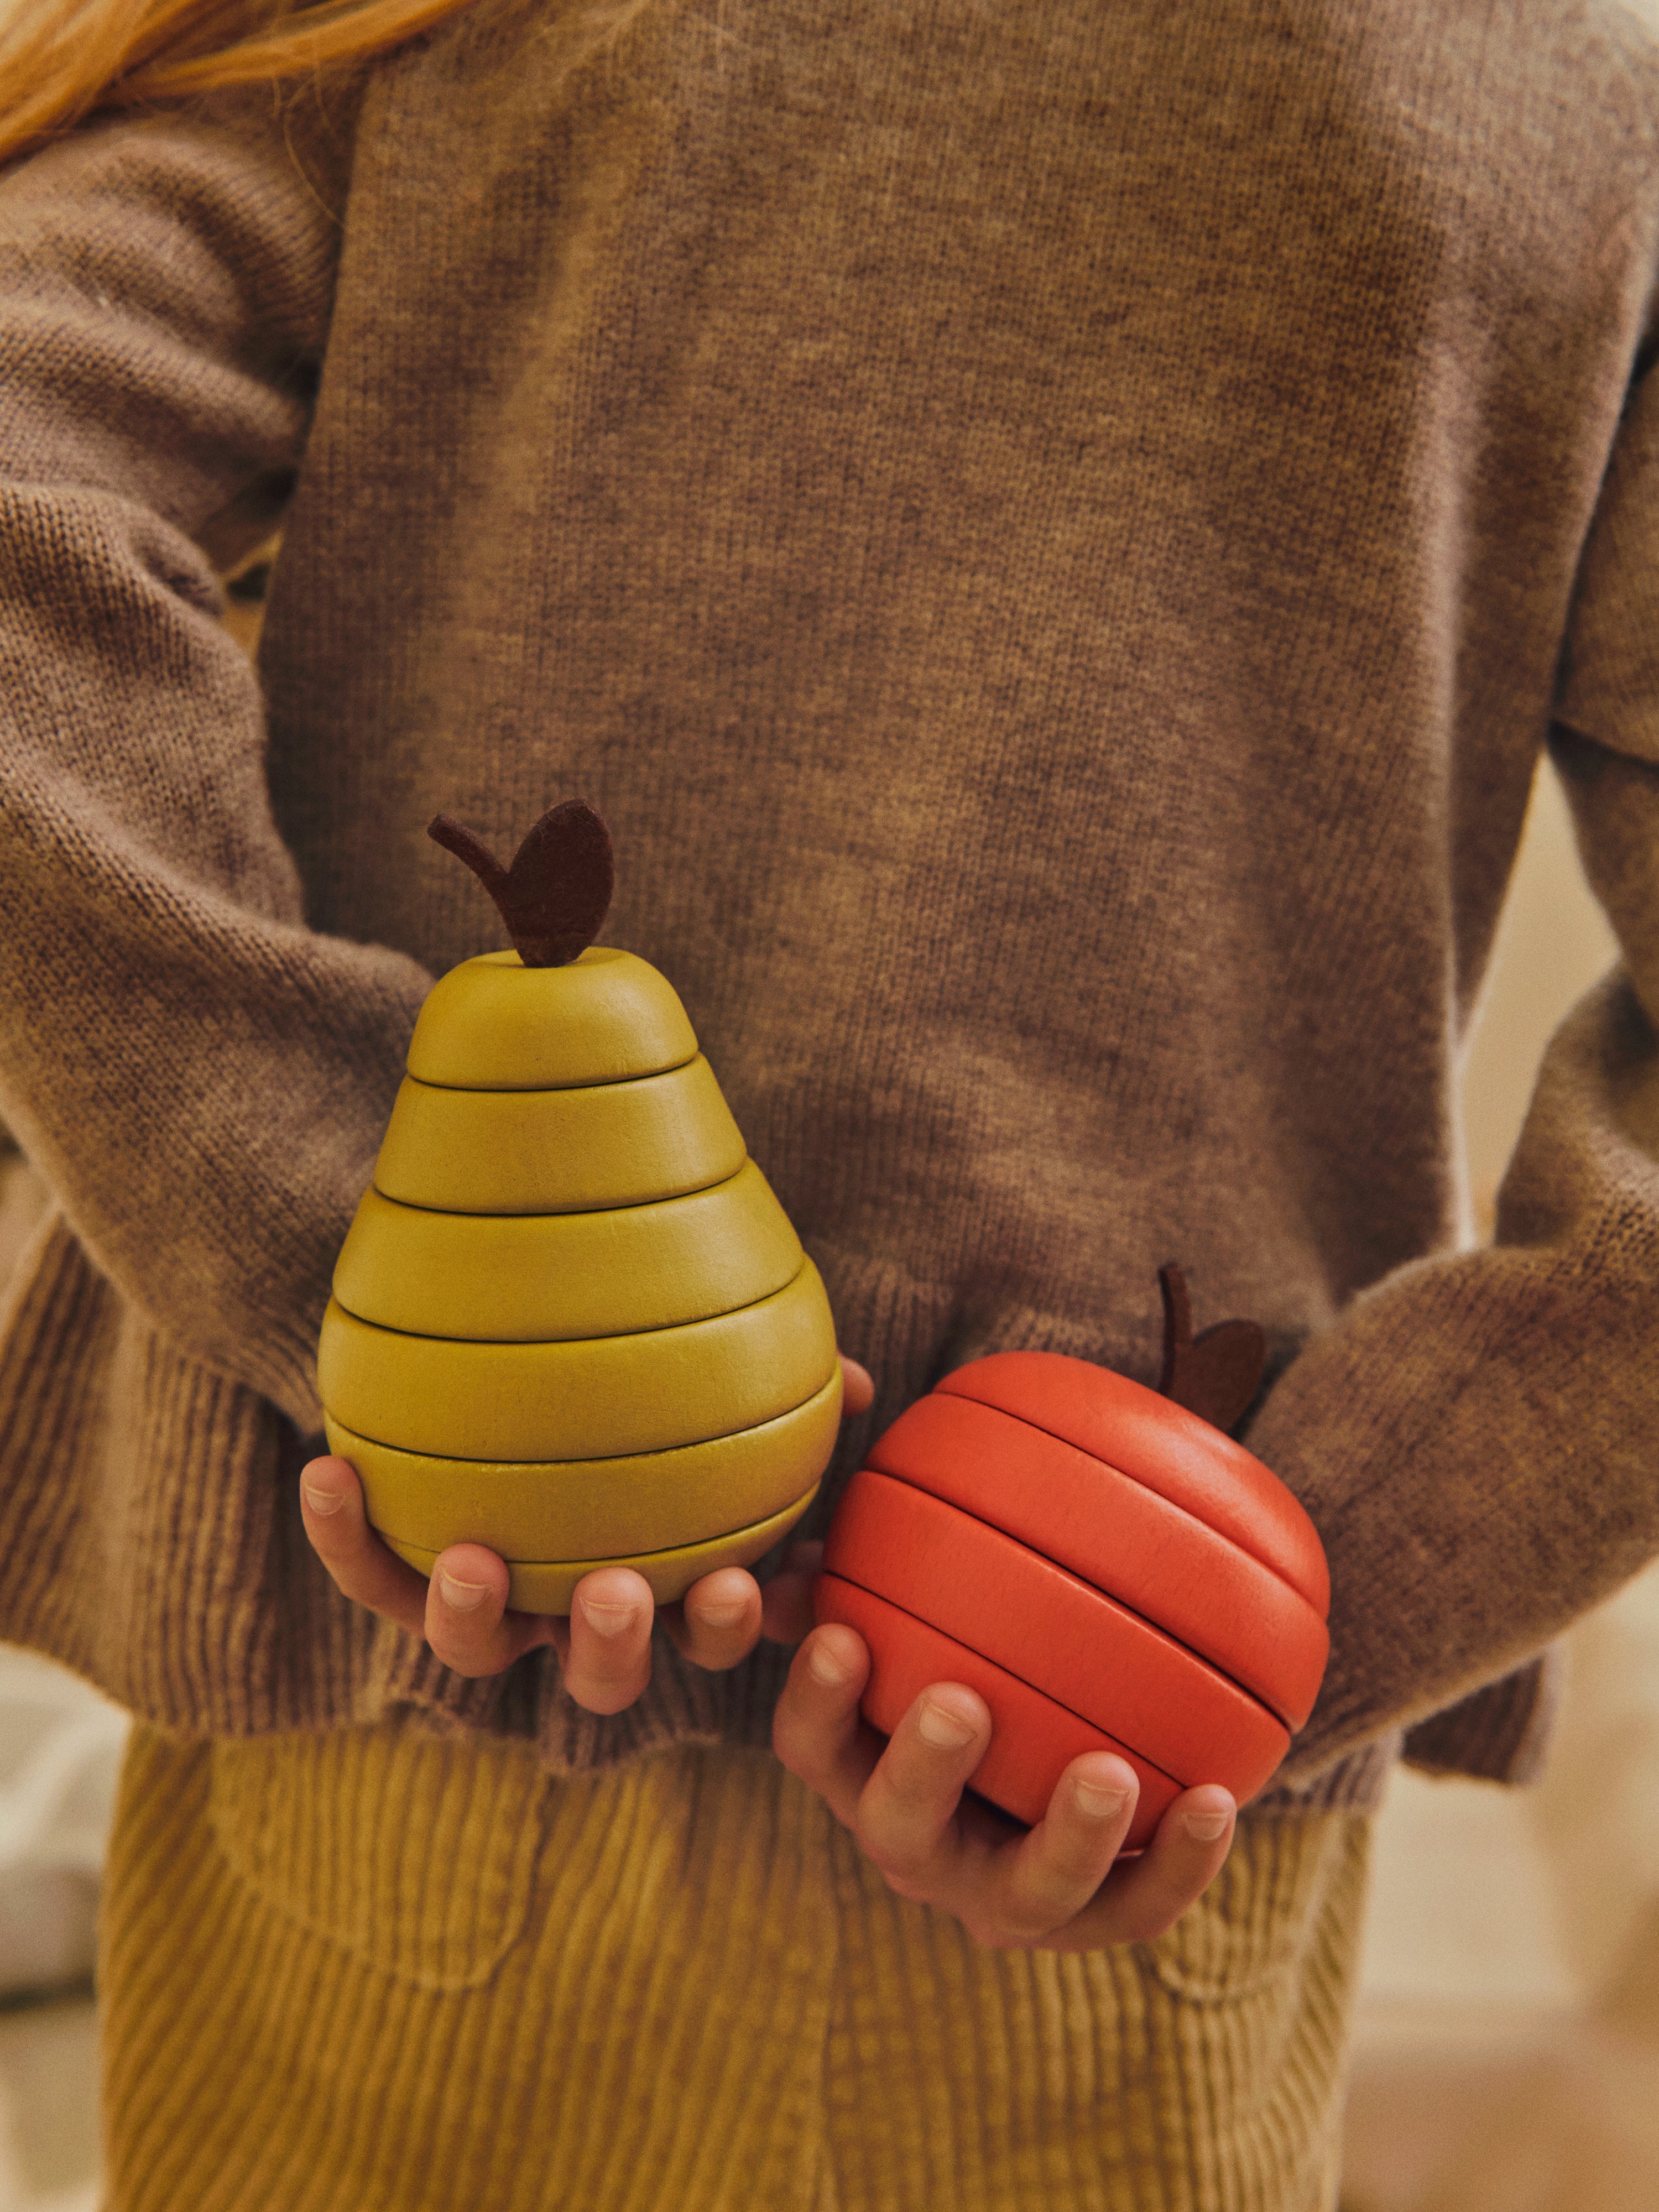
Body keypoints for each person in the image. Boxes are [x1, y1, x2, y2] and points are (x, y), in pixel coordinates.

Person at [3, 0, 1658, 2204]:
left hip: (417, 1710)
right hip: (1102, 1777)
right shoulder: (1574, 73)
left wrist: (409, 1283)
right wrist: (1292, 1573)